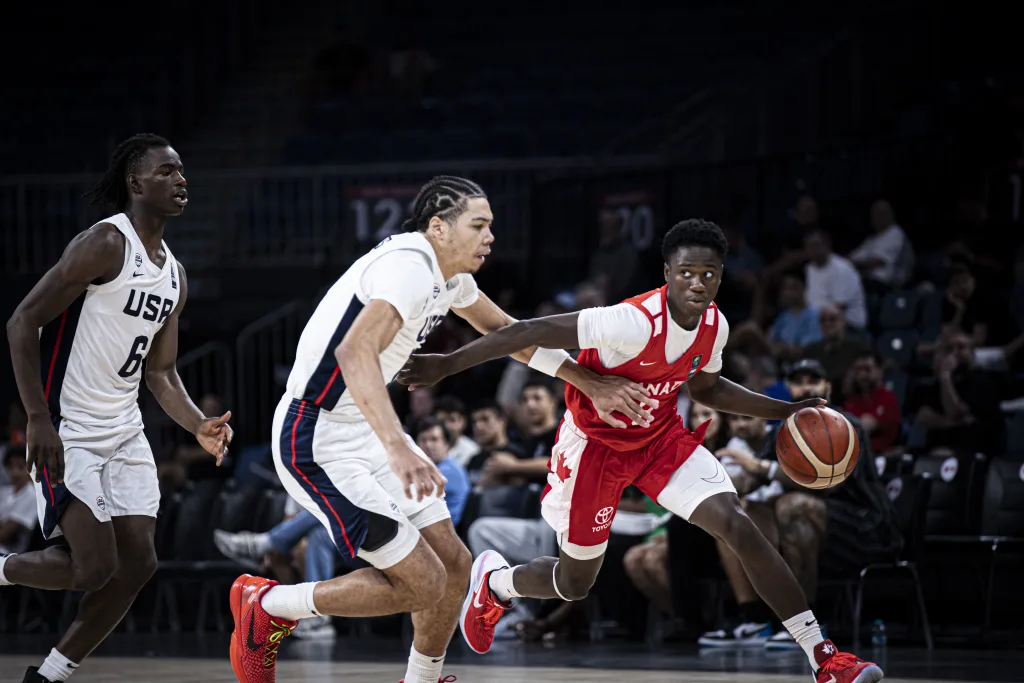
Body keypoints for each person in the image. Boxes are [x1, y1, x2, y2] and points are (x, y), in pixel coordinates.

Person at [400, 219, 884, 683]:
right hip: (596, 447)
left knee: (738, 523)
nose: (698, 283)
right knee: (574, 583)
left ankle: (824, 657)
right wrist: (446, 364)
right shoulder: (629, 321)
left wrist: (784, 408)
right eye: (687, 273)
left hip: (660, 440)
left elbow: (708, 389)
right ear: (668, 274)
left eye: (709, 274)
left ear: (720, 278)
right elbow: (528, 332)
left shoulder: (714, 326)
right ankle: (498, 584)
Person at [229, 176, 652, 683]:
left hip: (366, 428)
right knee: (422, 582)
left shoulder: (449, 279)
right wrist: (397, 446)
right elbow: (353, 352)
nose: (490, 236)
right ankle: (270, 604)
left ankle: (423, 680)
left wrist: (587, 380)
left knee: (454, 564)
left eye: (491, 226)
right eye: (478, 224)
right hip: (316, 437)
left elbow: (509, 335)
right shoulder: (409, 267)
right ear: (438, 226)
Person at [0, 134, 233, 683]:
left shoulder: (173, 273)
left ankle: (50, 675)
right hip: (69, 426)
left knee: (138, 565)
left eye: (183, 172)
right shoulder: (106, 243)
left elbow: (160, 372)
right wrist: (37, 417)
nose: (182, 180)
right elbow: (21, 322)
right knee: (92, 567)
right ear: (136, 182)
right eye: (167, 171)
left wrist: (197, 423)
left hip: (125, 431)